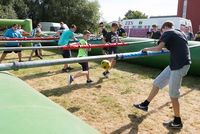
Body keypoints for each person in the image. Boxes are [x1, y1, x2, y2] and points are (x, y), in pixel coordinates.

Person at [133, 21, 191, 129]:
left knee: (173, 95)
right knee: (158, 82)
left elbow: (158, 48)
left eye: (161, 31)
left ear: (164, 28)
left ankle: (177, 121)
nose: (162, 34)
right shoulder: (179, 33)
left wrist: (146, 49)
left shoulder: (167, 32)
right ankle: (145, 104)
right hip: (177, 64)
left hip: (179, 66)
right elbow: (172, 47)